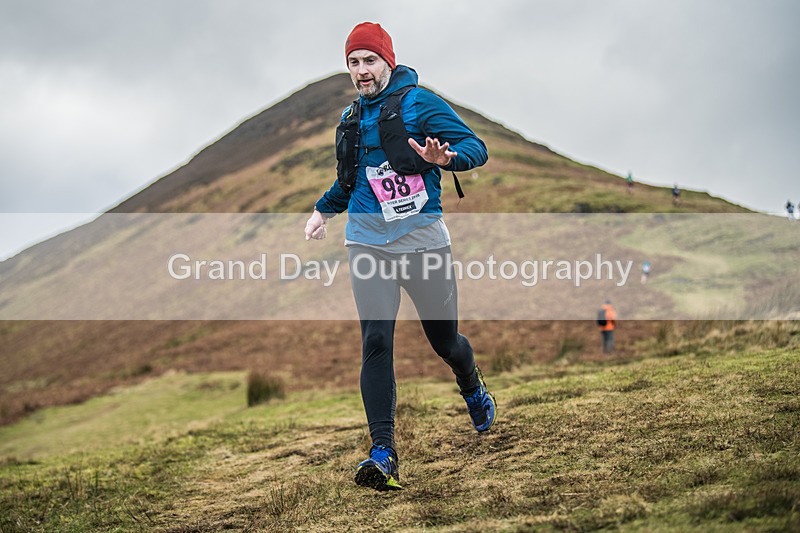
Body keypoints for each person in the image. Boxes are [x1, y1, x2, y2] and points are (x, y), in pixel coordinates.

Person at [304, 22, 494, 491]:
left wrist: (445, 159)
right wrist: (322, 211)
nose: (362, 70)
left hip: (423, 241)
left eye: (370, 60)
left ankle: (471, 384)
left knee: (445, 342)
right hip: (367, 243)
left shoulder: (418, 103)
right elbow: (350, 181)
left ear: (388, 62)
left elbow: (476, 147)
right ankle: (383, 452)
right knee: (375, 341)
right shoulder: (350, 118)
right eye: (353, 62)